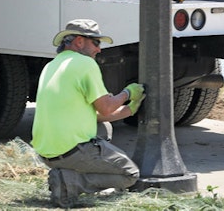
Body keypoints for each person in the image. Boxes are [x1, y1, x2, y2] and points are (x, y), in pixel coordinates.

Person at [32, 19, 144, 208]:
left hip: (46, 153)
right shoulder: (84, 63)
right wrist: (128, 93)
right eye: (96, 42)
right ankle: (72, 182)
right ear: (79, 42)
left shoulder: (50, 66)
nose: (99, 49)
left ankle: (65, 173)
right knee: (130, 175)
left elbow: (97, 116)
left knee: (103, 128)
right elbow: (106, 107)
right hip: (72, 152)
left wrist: (130, 110)